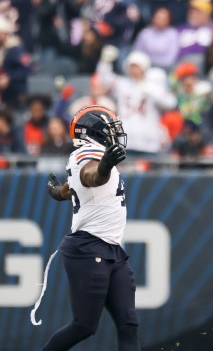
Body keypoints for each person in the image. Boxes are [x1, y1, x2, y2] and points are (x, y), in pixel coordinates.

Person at [41, 105, 140, 351]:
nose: (114, 134)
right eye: (109, 130)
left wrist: (58, 192)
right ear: (93, 133)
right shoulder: (86, 152)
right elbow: (90, 176)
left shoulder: (93, 153)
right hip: (88, 248)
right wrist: (105, 165)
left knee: (129, 324)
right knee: (84, 325)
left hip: (112, 250)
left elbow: (72, 186)